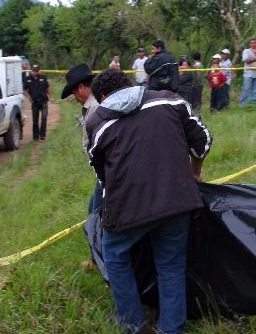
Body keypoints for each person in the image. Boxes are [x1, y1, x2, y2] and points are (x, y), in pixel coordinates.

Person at [86, 69, 212, 334]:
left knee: (116, 257)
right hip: (177, 201)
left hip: (126, 209)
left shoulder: (97, 121)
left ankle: (133, 324)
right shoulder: (170, 100)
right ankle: (170, 328)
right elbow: (203, 140)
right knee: (171, 264)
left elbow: (101, 174)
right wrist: (195, 171)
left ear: (103, 96)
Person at [60, 63, 103, 269]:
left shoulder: (95, 108)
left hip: (107, 173)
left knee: (95, 216)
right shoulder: (91, 107)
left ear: (81, 88)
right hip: (104, 172)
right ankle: (99, 259)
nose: (75, 98)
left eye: (74, 93)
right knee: (94, 212)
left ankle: (101, 262)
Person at [23, 65, 52, 141]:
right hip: (35, 102)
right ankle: (35, 137)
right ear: (31, 71)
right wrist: (29, 97)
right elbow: (25, 90)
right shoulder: (28, 79)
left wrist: (51, 96)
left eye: (36, 71)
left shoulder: (43, 77)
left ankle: (42, 136)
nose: (35, 72)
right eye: (33, 70)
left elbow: (47, 87)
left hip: (43, 101)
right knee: (35, 120)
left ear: (38, 71)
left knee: (44, 118)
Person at [239, 38, 256, 106]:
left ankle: (252, 104)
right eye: (252, 43)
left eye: (255, 43)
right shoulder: (246, 51)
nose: (253, 44)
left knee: (254, 91)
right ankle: (242, 104)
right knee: (246, 89)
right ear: (250, 44)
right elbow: (246, 60)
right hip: (248, 73)